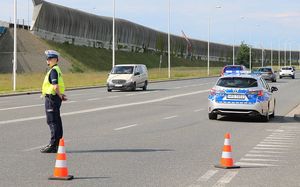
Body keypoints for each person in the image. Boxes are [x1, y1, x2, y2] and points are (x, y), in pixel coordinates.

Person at [40, 50, 67, 153]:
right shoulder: (57, 69)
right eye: (47, 59)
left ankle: (53, 145)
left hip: (52, 99)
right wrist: (60, 96)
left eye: (50, 58)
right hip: (54, 98)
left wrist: (60, 95)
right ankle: (58, 144)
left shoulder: (53, 71)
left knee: (52, 121)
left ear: (56, 60)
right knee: (57, 121)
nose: (48, 60)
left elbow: (55, 86)